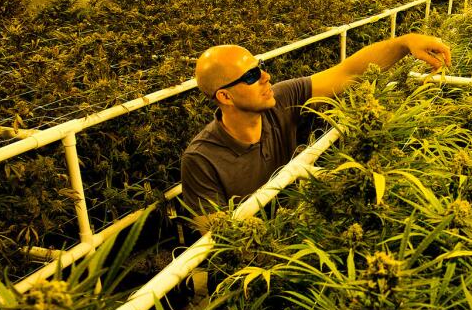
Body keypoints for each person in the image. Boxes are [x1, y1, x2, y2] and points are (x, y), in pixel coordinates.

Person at [179, 33, 452, 228]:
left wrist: (405, 43)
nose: (266, 77)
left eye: (260, 67)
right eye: (251, 77)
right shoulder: (202, 159)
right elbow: (220, 235)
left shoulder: (281, 99)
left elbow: (348, 73)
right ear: (225, 97)